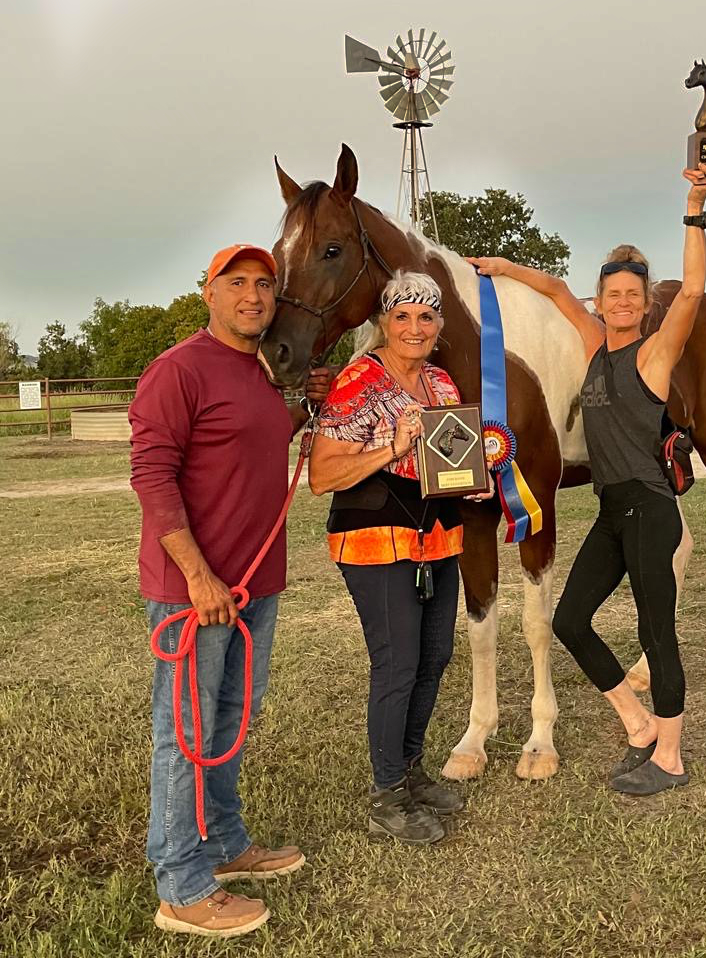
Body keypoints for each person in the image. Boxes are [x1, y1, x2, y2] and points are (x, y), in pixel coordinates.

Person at [468, 161, 706, 796]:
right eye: (613, 293)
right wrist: (500, 269)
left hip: (651, 506)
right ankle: (637, 723)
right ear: (601, 299)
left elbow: (691, 290)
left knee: (654, 631)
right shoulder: (593, 344)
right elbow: (555, 288)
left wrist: (694, 204)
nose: (623, 301)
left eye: (634, 294)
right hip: (613, 510)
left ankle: (670, 755)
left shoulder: (655, 352)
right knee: (572, 619)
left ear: (643, 303)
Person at [130, 244, 334, 937]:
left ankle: (223, 843)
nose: (253, 295)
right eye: (237, 283)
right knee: (183, 734)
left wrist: (307, 409)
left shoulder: (256, 370)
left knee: (227, 722)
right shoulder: (177, 370)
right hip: (199, 590)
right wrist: (196, 574)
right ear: (207, 293)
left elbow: (261, 443)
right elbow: (152, 478)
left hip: (254, 586)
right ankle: (182, 886)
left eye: (264, 285)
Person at [309, 270, 491, 844]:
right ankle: (386, 791)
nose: (415, 327)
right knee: (398, 661)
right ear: (384, 321)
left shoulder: (439, 384)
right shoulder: (357, 381)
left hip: (437, 535)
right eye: (403, 316)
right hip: (373, 536)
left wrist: (474, 483)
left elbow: (445, 467)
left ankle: (410, 773)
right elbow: (322, 475)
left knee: (435, 657)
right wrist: (391, 446)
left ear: (439, 326)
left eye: (427, 316)